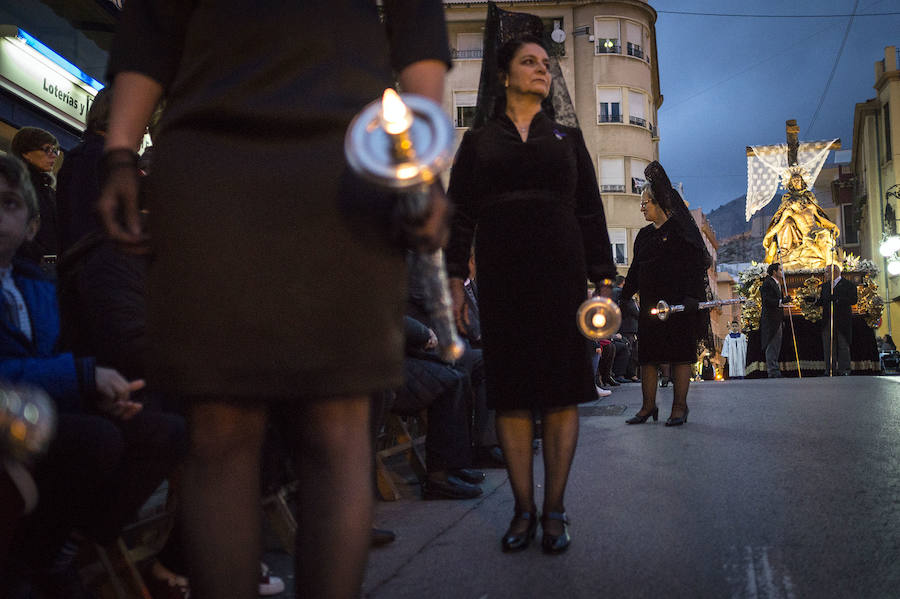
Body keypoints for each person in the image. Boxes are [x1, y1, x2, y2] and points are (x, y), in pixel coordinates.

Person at [98, 2, 451, 598]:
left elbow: (417, 24)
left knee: (338, 420)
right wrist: (119, 152)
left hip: (348, 164)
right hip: (211, 161)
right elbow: (150, 24)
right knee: (219, 425)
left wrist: (423, 167)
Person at [446, 35, 616, 555]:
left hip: (561, 274)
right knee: (513, 390)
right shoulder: (478, 143)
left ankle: (555, 509)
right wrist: (454, 277)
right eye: (529, 62)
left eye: (547, 63)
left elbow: (591, 210)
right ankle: (523, 509)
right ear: (504, 75)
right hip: (501, 274)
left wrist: (604, 281)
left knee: (562, 389)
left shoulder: (567, 138)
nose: (542, 69)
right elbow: (458, 215)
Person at [0, 154, 185, 598]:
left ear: (30, 226)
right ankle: (33, 561)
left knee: (165, 431)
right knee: (96, 440)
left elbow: (54, 357)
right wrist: (85, 379)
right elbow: (121, 342)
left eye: (9, 204)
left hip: (41, 408)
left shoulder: (32, 289)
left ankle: (64, 545)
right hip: (17, 415)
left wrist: (93, 393)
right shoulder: (111, 261)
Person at [621, 161, 712, 427]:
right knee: (648, 358)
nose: (642, 207)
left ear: (659, 202)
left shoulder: (681, 233)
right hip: (651, 307)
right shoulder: (643, 236)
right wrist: (624, 295)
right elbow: (636, 270)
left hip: (678, 306)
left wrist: (693, 298)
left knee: (680, 356)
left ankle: (679, 408)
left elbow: (696, 267)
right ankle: (647, 407)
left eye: (645, 202)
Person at [9, 127, 60, 267]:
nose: (54, 155)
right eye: (47, 149)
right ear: (26, 153)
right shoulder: (15, 186)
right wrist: (38, 257)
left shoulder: (49, 192)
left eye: (55, 150)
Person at [814, 263, 858, 376]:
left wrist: (838, 299)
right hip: (828, 320)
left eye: (827, 272)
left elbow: (853, 300)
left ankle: (844, 370)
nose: (825, 274)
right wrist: (813, 301)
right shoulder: (825, 286)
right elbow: (823, 301)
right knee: (828, 347)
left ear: (835, 272)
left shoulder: (849, 285)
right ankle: (830, 370)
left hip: (842, 321)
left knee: (843, 345)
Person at [760, 263, 787, 378]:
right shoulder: (768, 283)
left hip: (777, 318)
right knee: (772, 344)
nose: (782, 272)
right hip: (771, 319)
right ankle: (772, 370)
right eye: (780, 270)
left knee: (776, 344)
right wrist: (781, 302)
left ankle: (774, 369)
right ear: (774, 272)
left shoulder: (777, 283)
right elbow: (767, 301)